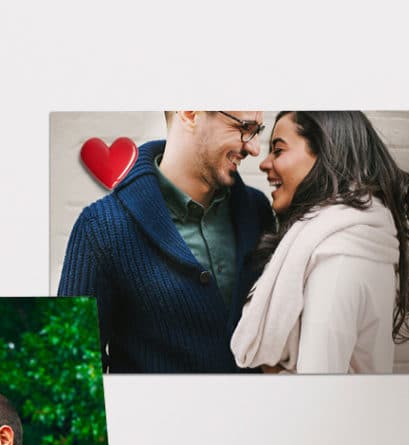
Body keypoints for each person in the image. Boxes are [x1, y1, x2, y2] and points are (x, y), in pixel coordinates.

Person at [57, 111, 275, 373]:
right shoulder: (100, 228)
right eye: (244, 127)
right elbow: (74, 366)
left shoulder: (257, 211)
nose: (253, 148)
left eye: (257, 131)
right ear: (190, 112)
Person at [230, 110, 409, 374]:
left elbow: (318, 393)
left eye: (278, 151)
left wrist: (271, 368)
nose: (264, 163)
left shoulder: (340, 257)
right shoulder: (352, 238)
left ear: (326, 155)